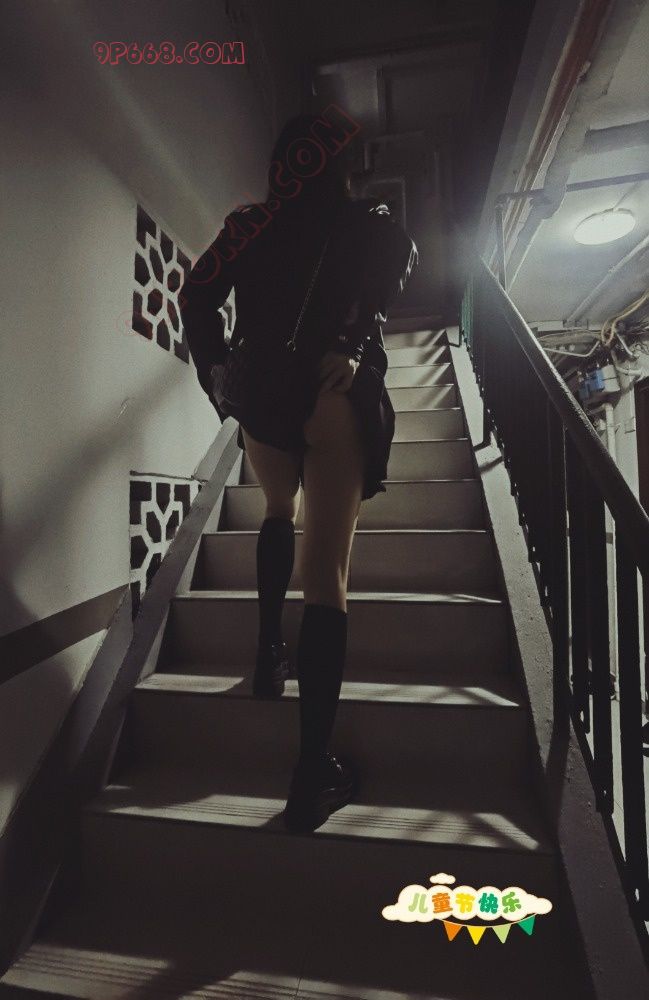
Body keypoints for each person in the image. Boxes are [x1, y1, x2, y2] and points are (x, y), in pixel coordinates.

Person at [179, 112, 418, 833]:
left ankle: (266, 655)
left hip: (262, 397)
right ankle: (312, 773)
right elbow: (394, 268)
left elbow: (195, 295)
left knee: (275, 511)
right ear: (341, 164)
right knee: (327, 578)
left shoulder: (247, 224)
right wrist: (353, 342)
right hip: (330, 390)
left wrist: (216, 370)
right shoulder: (369, 218)